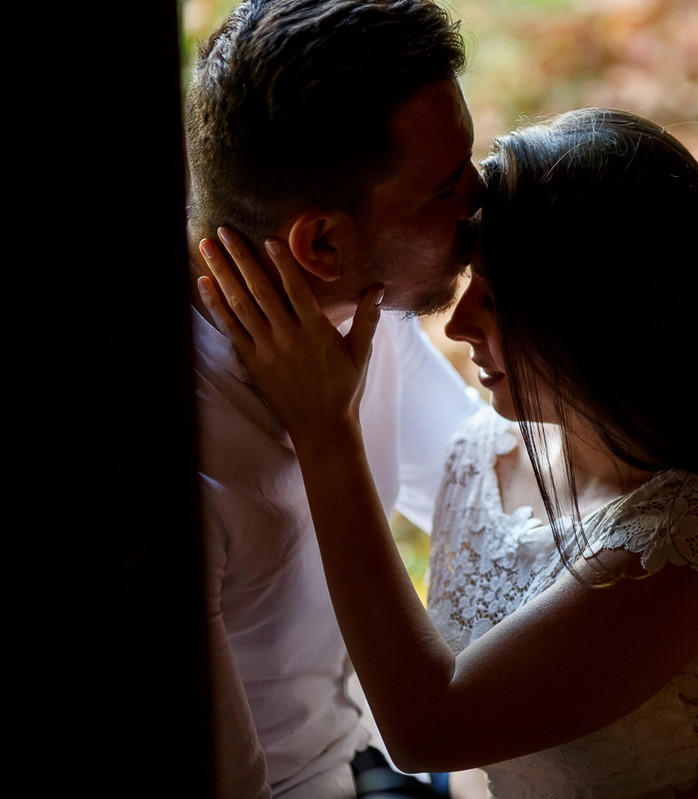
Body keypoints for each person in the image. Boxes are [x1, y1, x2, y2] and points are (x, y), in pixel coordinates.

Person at [197, 108, 698, 797]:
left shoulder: (697, 540)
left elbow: (429, 725)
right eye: (471, 280)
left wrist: (327, 432)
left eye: (499, 297)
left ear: (605, 319)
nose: (459, 325)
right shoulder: (486, 455)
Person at [185, 1, 483, 796]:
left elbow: (487, 485)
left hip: (372, 749)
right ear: (321, 243)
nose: (480, 201)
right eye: (446, 187)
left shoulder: (359, 307)